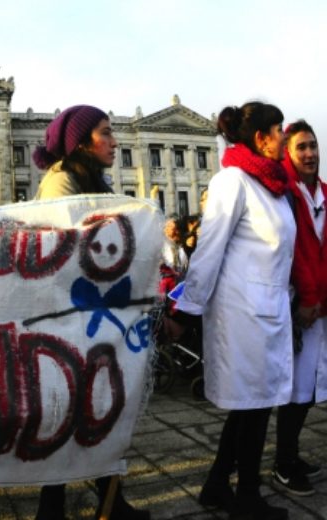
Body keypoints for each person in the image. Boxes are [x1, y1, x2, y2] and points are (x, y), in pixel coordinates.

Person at [166, 102, 293, 520]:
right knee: (254, 409)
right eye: (279, 129)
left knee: (251, 406)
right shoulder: (232, 181)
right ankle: (248, 499)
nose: (283, 136)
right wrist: (184, 312)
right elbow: (208, 251)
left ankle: (218, 484)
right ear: (261, 138)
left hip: (268, 309)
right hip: (242, 314)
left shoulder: (272, 186)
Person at [32, 105, 150, 520]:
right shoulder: (61, 182)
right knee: (71, 413)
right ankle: (57, 510)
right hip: (68, 316)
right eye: (105, 133)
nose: (115, 142)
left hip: (87, 315)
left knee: (93, 410)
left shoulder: (91, 180)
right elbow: (65, 250)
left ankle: (108, 503)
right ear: (81, 142)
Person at [271, 120, 325, 497]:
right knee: (296, 389)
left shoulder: (324, 193)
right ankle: (283, 462)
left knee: (310, 387)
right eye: (301, 147)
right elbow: (293, 252)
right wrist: (307, 298)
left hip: (322, 303)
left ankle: (291, 456)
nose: (309, 153)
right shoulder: (285, 194)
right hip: (300, 305)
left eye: (313, 146)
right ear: (288, 153)